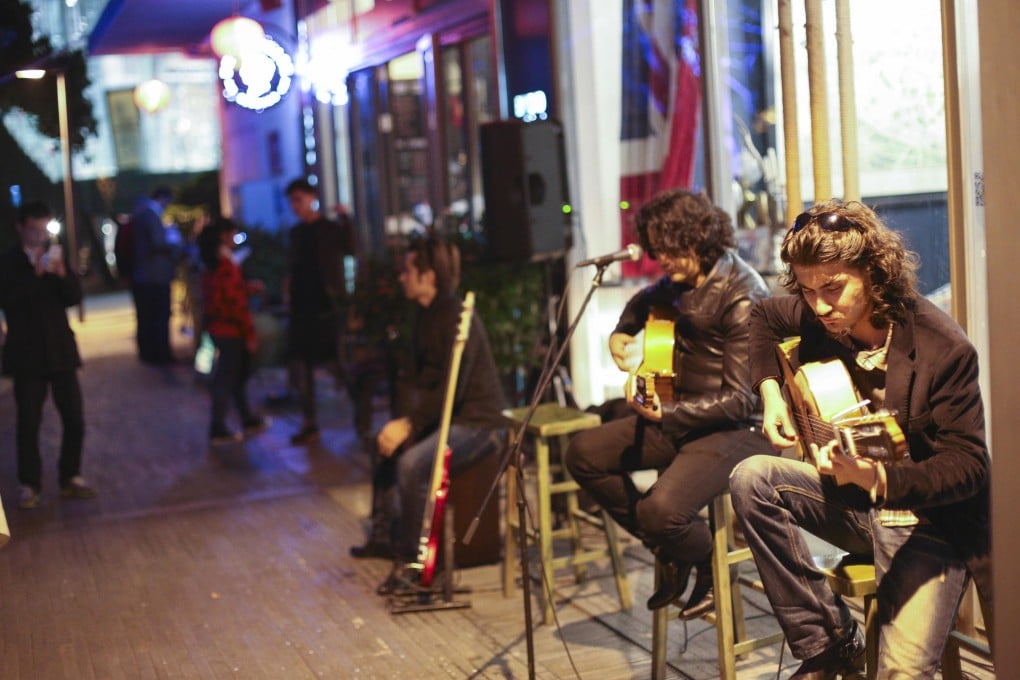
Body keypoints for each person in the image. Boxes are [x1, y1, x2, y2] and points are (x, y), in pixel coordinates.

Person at [728, 200, 992, 678]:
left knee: (899, 673)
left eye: (832, 288)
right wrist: (770, 392)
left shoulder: (942, 348)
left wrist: (879, 475)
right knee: (752, 478)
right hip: (856, 503)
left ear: (874, 272)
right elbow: (763, 317)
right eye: (807, 292)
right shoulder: (821, 316)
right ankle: (829, 642)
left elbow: (970, 467)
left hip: (926, 522)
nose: (820, 306)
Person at [564, 189, 773, 616]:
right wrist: (621, 332)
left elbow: (742, 399)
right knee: (582, 453)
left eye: (672, 252)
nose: (664, 262)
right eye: (659, 253)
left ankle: (707, 565)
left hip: (737, 430)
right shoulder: (680, 282)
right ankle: (674, 550)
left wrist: (668, 412)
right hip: (681, 417)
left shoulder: (742, 294)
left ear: (701, 236)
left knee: (660, 508)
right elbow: (645, 300)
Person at [356, 234, 505, 594]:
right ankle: (385, 533)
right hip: (450, 417)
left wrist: (410, 423)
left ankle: (417, 563)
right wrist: (402, 423)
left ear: (429, 276)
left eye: (408, 271)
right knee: (385, 441)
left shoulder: (455, 315)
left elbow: (452, 389)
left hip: (478, 424)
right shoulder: (426, 315)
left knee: (413, 465)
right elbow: (424, 381)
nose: (402, 277)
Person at [0, 201, 97, 509]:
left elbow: (73, 297)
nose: (39, 235)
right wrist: (37, 275)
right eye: (34, 229)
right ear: (21, 227)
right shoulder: (9, 261)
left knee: (74, 417)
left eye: (44, 229)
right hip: (27, 354)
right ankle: (30, 484)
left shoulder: (55, 255)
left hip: (60, 351)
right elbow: (9, 301)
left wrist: (62, 273)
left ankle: (71, 476)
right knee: (29, 422)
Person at [282, 178, 360, 445]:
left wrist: (345, 218)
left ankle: (361, 415)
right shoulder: (296, 233)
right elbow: (294, 268)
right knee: (301, 364)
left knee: (335, 363)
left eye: (299, 200)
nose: (295, 206)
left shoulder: (328, 228)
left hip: (324, 306)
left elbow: (351, 248)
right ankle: (310, 422)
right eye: (292, 201)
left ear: (312, 198)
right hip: (302, 307)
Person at [198, 218, 269, 445]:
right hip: (230, 330)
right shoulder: (227, 266)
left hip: (218, 327)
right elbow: (235, 302)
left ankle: (247, 419)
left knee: (234, 377)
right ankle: (218, 427)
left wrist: (247, 288)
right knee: (227, 378)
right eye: (232, 234)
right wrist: (249, 333)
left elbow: (225, 296)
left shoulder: (211, 265)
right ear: (224, 236)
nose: (235, 238)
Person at [131, 186, 182, 365]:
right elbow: (157, 243)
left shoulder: (142, 214)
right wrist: (174, 244)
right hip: (155, 275)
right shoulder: (151, 215)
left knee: (147, 316)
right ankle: (161, 354)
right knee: (159, 316)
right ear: (163, 198)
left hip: (145, 275)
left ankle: (150, 353)